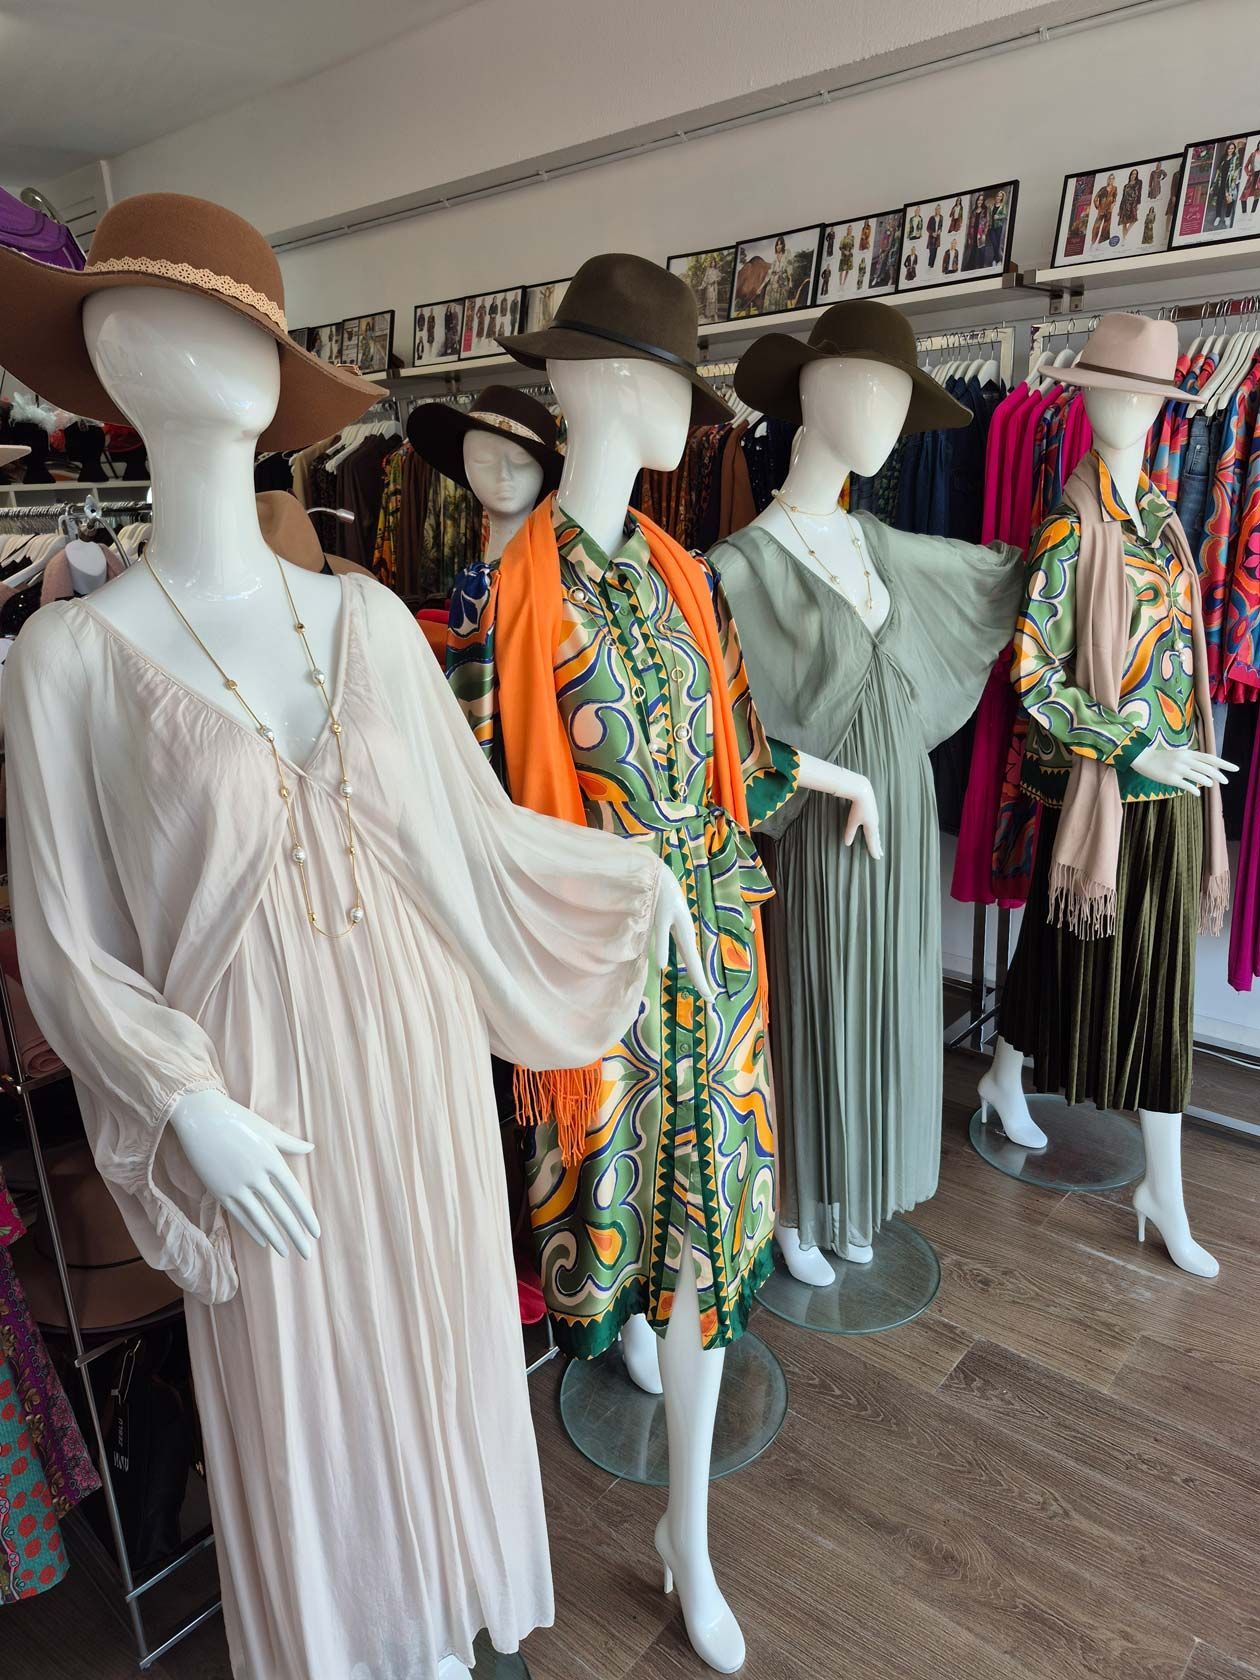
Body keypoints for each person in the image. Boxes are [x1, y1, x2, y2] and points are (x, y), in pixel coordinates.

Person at [1210, 139, 1241, 229]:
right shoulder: (1223, 158)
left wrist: (1233, 183)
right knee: (1219, 200)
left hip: (1230, 183)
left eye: (1232, 148)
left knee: (1230, 201)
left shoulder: (1236, 158)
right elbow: (1218, 171)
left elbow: (1237, 171)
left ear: (1234, 149)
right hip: (1221, 182)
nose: (1230, 150)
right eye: (1229, 148)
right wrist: (1215, 183)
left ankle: (1227, 217)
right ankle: (1218, 217)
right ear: (1226, 149)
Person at [763, 234, 794, 313]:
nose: (779, 246)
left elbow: (789, 267)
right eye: (777, 244)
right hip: (773, 284)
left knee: (781, 305)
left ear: (783, 245)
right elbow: (769, 273)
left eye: (781, 244)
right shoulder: (774, 258)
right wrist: (761, 287)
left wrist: (790, 281)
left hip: (782, 283)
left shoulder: (787, 252)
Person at [1092, 173, 1118, 244]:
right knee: (1096, 227)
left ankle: (1101, 244)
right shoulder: (1103, 188)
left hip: (1109, 211)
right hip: (1101, 210)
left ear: (1114, 180)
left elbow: (1115, 199)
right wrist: (1097, 206)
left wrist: (1113, 205)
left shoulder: (1115, 188)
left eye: (1112, 178)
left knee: (1106, 228)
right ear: (1108, 179)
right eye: (1110, 178)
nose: (1111, 180)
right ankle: (1092, 243)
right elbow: (1095, 198)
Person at [1118, 168, 1143, 239]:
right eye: (1132, 173)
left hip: (1133, 204)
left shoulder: (1139, 182)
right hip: (1125, 204)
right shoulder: (1126, 186)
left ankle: (1126, 233)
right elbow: (1123, 197)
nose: (1133, 175)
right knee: (1124, 222)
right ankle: (1123, 238)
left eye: (1135, 174)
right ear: (1130, 175)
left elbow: (1139, 193)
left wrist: (1138, 203)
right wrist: (1120, 209)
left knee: (1134, 219)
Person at [1242, 142, 1260, 216]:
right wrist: (1248, 173)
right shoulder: (1253, 154)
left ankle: (1252, 213)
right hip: (1252, 176)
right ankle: (1244, 213)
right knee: (1244, 195)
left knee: (1257, 195)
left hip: (1259, 177)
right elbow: (1246, 166)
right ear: (1258, 144)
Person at [926, 203, 943, 268]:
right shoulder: (931, 218)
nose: (938, 210)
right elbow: (927, 228)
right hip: (931, 238)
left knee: (935, 253)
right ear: (935, 210)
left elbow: (941, 226)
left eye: (939, 209)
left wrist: (940, 230)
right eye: (937, 209)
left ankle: (932, 266)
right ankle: (929, 265)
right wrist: (932, 233)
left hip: (937, 238)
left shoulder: (941, 217)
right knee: (931, 253)